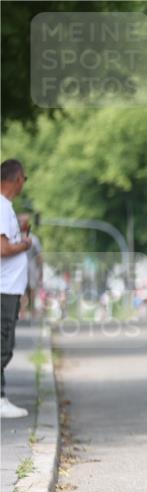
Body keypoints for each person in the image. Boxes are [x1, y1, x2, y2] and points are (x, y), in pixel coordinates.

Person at [0, 159, 31, 419]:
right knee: (3, 344)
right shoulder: (1, 206)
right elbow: (3, 249)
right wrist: (25, 244)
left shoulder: (5, 207)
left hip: (9, 288)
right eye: (24, 178)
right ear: (17, 178)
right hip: (4, 289)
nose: (24, 183)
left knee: (6, 343)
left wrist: (19, 234)